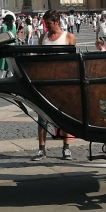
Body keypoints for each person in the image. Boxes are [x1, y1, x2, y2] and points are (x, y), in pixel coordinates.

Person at [33, 10, 76, 162]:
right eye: (45, 24)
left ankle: (66, 148)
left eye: (49, 24)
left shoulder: (68, 37)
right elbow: (39, 60)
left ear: (56, 22)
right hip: (46, 83)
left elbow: (73, 63)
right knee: (42, 117)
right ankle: (41, 149)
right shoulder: (43, 37)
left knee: (64, 117)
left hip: (63, 83)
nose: (46, 27)